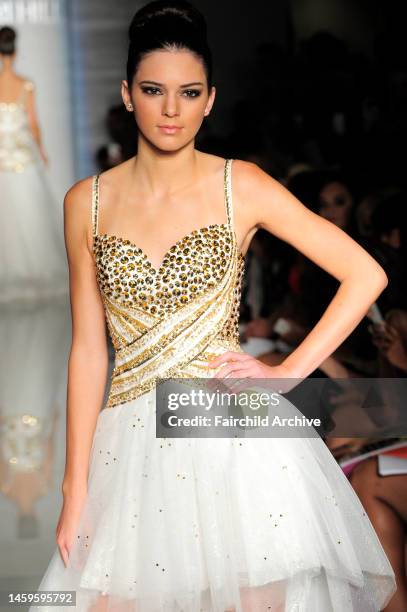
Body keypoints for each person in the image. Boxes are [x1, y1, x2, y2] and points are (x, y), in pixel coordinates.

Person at [30, 2, 397, 610]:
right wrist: (74, 488)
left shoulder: (242, 185)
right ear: (127, 95)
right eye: (153, 90)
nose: (171, 109)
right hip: (129, 444)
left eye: (189, 92)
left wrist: (287, 372)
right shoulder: (85, 203)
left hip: (237, 439)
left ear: (211, 99)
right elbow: (89, 349)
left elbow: (365, 272)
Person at [0, 26, 67, 303]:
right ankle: (31, 276)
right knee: (29, 218)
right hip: (23, 161)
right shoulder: (25, 84)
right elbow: (34, 124)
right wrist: (42, 150)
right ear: (15, 52)